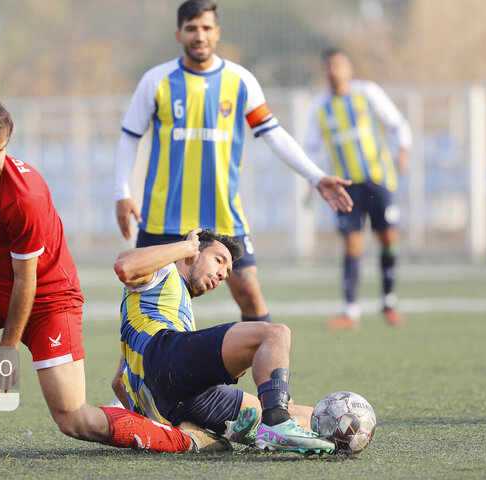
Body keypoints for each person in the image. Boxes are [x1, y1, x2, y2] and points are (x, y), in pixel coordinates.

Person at [0, 93, 221, 463]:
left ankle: (187, 440)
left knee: (74, 419)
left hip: (49, 297)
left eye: (0, 150)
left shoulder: (25, 195)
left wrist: (7, 346)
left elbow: (27, 281)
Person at [114, 0, 353, 326]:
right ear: (179, 34)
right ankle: (126, 376)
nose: (200, 36)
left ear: (218, 32)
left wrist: (316, 176)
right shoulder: (156, 81)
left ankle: (271, 375)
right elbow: (129, 137)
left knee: (250, 294)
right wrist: (122, 192)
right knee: (141, 299)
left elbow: (272, 132)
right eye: (192, 29)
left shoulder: (240, 80)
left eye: (206, 28)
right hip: (163, 217)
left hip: (223, 216)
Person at [111, 228, 335, 455]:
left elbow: (119, 382)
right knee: (275, 334)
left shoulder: (172, 312)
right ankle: (277, 424)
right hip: (164, 360)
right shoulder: (163, 271)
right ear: (195, 250)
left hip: (180, 399)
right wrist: (186, 248)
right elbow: (124, 266)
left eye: (226, 272)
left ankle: (339, 429)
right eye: (218, 261)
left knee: (298, 414)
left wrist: (153, 424)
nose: (221, 274)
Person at [303, 48, 412, 330]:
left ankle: (388, 301)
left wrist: (403, 151)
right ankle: (350, 311)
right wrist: (310, 181)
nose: (334, 71)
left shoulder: (367, 93)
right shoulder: (320, 106)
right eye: (329, 66)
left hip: (378, 180)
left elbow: (397, 123)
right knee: (352, 243)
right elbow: (312, 149)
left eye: (339, 65)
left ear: (349, 69)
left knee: (387, 238)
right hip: (346, 186)